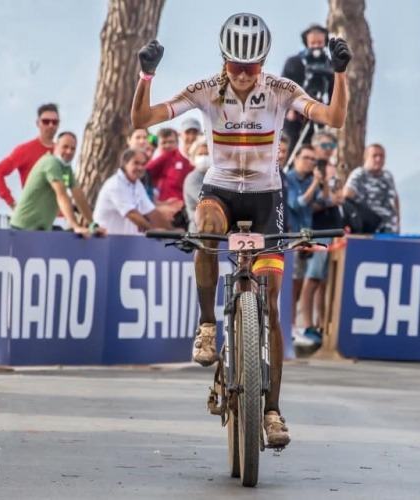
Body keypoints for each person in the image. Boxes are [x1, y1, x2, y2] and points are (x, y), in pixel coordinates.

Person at [131, 12, 351, 447]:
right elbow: (143, 120)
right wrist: (146, 75)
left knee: (269, 306)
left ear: (264, 60)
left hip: (267, 199)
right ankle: (208, 324)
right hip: (221, 191)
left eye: (252, 67)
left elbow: (336, 118)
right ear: (224, 59)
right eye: (236, 66)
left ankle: (271, 411)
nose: (245, 75)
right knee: (206, 227)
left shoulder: (281, 89)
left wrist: (340, 73)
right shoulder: (206, 89)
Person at [10, 131, 106, 237]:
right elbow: (61, 195)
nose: (69, 151)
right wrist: (76, 226)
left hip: (41, 230)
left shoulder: (66, 168)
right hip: (22, 229)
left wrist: (93, 224)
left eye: (73, 149)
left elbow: (78, 195)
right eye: (65, 147)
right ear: (56, 146)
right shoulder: (51, 163)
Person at [286, 145, 331, 346]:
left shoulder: (310, 180)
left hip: (307, 236)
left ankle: (296, 327)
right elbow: (298, 203)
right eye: (306, 158)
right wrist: (314, 184)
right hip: (292, 235)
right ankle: (290, 326)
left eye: (313, 159)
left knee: (301, 279)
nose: (310, 162)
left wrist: (324, 183)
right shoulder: (290, 178)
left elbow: (324, 200)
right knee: (294, 284)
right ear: (296, 159)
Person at [93, 147, 183, 234]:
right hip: (107, 240)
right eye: (136, 163)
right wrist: (152, 230)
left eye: (143, 164)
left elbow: (152, 212)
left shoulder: (137, 184)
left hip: (126, 241)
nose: (140, 167)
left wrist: (171, 231)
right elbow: (132, 214)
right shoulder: (115, 184)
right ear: (125, 164)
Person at [281, 24, 335, 157]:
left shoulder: (330, 65)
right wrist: (289, 110)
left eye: (320, 43)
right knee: (291, 145)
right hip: (295, 115)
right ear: (306, 43)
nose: (316, 46)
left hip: (318, 112)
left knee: (319, 145)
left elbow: (334, 92)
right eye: (313, 43)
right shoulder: (294, 62)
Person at [0, 103, 60, 209]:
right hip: (34, 217)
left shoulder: (62, 151)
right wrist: (12, 203)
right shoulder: (25, 150)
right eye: (46, 121)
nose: (50, 125)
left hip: (61, 217)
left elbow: (66, 180)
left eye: (54, 122)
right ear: (38, 123)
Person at [343, 143, 400, 234]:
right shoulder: (359, 174)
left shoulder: (388, 176)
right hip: (370, 231)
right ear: (366, 157)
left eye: (381, 156)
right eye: (374, 156)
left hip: (390, 230)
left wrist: (398, 224)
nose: (378, 159)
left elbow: (395, 200)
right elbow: (346, 197)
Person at [183, 137, 211, 232]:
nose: (203, 158)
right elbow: (208, 201)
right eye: (200, 154)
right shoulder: (192, 179)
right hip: (198, 231)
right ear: (193, 157)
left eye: (207, 154)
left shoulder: (215, 176)